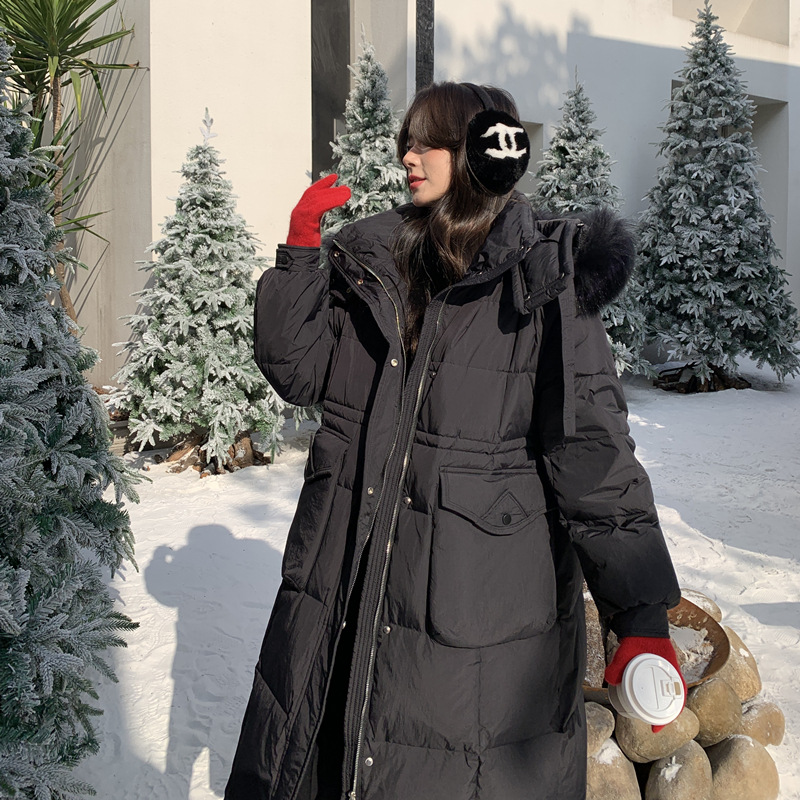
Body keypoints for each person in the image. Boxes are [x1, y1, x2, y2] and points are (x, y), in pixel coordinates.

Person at [225, 82, 683, 800]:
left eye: (428, 141)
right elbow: (298, 368)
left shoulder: (542, 282)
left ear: (480, 150)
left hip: (471, 617)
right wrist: (300, 255)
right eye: (406, 142)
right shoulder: (375, 261)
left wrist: (641, 615)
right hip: (345, 580)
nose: (408, 156)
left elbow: (593, 453)